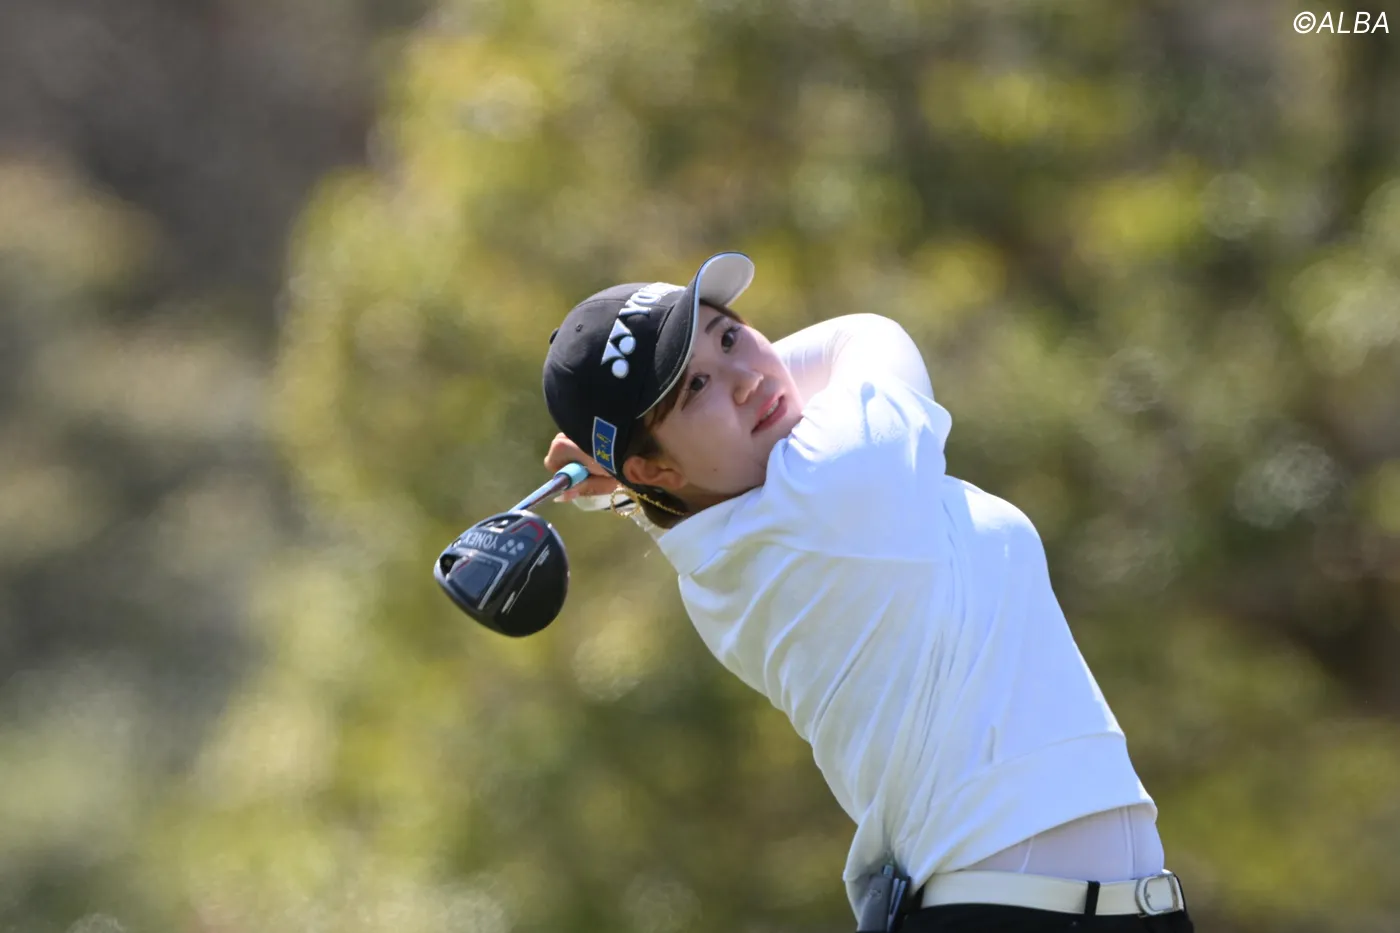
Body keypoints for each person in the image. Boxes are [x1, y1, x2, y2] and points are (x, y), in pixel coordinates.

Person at [540, 252, 1194, 932]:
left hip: (1091, 909)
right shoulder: (832, 475)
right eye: (696, 386)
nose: (746, 379)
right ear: (657, 469)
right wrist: (625, 468)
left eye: (730, 335)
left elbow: (714, 449)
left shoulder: (715, 549)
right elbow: (864, 334)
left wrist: (634, 467)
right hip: (1014, 914)